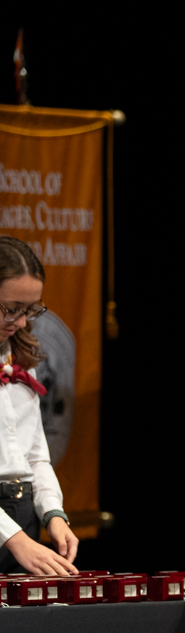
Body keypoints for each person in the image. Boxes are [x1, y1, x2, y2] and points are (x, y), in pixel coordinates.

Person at [0, 236, 78, 575]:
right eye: (11, 308)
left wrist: (53, 513)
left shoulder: (21, 360)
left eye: (30, 310)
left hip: (22, 521)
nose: (20, 322)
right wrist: (13, 538)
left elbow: (35, 456)